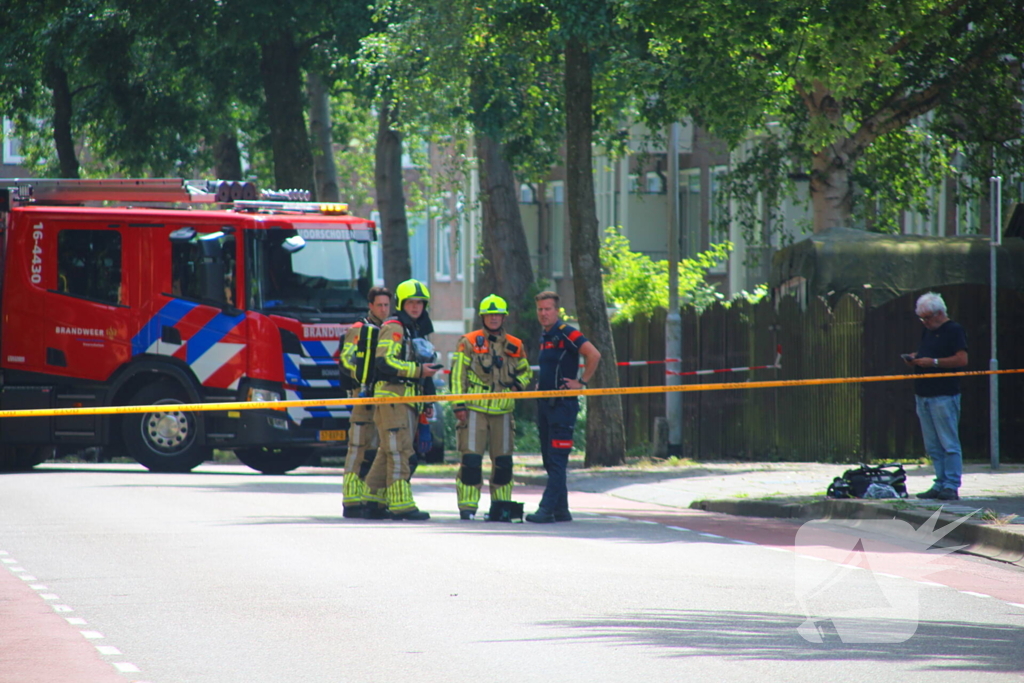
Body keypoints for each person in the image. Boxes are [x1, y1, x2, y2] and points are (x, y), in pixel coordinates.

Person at [450, 295, 533, 520]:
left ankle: (501, 507)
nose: (494, 318)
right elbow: (458, 375)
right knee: (471, 461)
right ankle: (467, 508)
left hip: (504, 412)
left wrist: (518, 384)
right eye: (490, 314)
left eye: (498, 314)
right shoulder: (468, 341)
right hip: (474, 410)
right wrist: (458, 405)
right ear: (483, 317)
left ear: (504, 317)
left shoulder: (515, 345)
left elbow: (526, 371)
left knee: (504, 463)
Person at [363, 279, 440, 520]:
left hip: (408, 399)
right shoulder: (395, 327)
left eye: (420, 302)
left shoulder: (416, 329)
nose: (416, 307)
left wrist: (428, 401)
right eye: (411, 302)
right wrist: (418, 371)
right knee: (401, 452)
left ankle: (372, 501)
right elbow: (385, 361)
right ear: (403, 304)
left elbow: (424, 367)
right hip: (392, 397)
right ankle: (400, 505)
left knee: (388, 451)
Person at [526, 291, 601, 524]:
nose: (543, 313)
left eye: (548, 309)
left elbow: (594, 354)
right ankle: (561, 510)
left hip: (563, 407)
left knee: (557, 460)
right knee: (549, 460)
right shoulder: (544, 335)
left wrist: (582, 382)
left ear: (556, 311)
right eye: (540, 309)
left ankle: (546, 509)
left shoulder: (566, 332)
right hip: (546, 405)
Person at [903, 291, 968, 501]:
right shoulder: (928, 331)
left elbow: (961, 359)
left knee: (948, 443)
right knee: (932, 445)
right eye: (922, 318)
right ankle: (939, 482)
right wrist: (916, 357)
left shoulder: (954, 330)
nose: (925, 322)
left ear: (940, 314)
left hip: (944, 394)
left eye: (927, 318)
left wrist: (934, 363)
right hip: (923, 393)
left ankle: (951, 484)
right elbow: (926, 351)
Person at [338, 286, 391, 518]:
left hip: (381, 398)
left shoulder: (389, 329)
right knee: (359, 447)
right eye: (379, 305)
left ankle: (369, 496)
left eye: (387, 305)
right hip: (362, 397)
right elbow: (346, 360)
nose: (383, 309)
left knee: (377, 449)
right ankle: (351, 500)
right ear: (370, 306)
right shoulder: (358, 329)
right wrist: (366, 376)